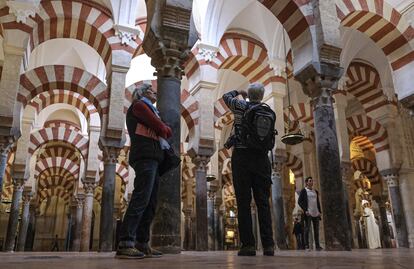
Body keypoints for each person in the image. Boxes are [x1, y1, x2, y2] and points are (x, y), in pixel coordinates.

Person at [116, 83, 172, 259]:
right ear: (144, 92)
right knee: (141, 199)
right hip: (145, 156)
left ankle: (142, 243)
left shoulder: (149, 109)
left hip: (153, 157)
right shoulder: (139, 106)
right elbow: (163, 128)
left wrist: (163, 128)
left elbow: (164, 129)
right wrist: (162, 127)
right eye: (152, 91)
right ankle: (126, 243)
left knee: (151, 202)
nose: (155, 93)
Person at [222, 83, 275, 256]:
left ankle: (248, 246)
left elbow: (226, 97)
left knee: (243, 203)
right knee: (263, 203)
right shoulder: (267, 110)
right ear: (261, 96)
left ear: (249, 95)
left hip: (242, 158)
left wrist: (239, 91)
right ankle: (268, 245)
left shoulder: (240, 105)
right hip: (262, 158)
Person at [298, 176, 323, 251]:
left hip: (316, 213)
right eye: (310, 181)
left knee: (316, 230)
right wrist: (305, 210)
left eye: (312, 181)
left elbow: (317, 202)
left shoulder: (315, 191)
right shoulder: (304, 191)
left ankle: (317, 246)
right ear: (306, 182)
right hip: (308, 213)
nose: (311, 182)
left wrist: (319, 211)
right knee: (307, 229)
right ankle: (307, 246)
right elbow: (299, 201)